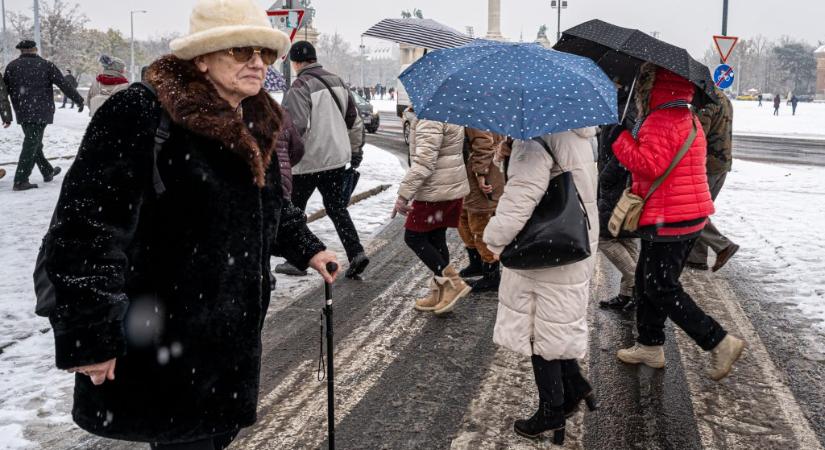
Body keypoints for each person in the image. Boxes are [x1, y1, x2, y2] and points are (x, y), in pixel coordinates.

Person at [43, 0, 338, 448]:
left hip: (226, 342)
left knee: (214, 435)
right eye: (241, 51)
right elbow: (84, 231)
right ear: (202, 57)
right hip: (163, 335)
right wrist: (89, 334)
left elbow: (266, 208)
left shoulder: (254, 119)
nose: (257, 62)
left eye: (265, 52)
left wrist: (308, 247)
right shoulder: (140, 113)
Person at [611, 64, 745, 381]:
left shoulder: (661, 120)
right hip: (684, 215)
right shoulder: (687, 117)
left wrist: (621, 141)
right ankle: (649, 344)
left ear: (651, 88)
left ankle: (718, 341)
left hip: (670, 218)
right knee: (648, 280)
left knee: (661, 288)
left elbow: (649, 166)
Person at [483, 127, 600, 444]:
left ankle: (552, 411)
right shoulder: (578, 134)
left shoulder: (533, 138)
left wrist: (493, 239)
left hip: (544, 250)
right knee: (553, 325)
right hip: (572, 239)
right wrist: (506, 154)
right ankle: (574, 385)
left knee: (540, 335)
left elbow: (521, 198)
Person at [281, 41, 370, 280]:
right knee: (337, 209)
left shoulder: (300, 85)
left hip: (308, 162)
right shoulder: (338, 81)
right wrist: (355, 151)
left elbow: (295, 127)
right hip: (336, 159)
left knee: (294, 210)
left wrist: (285, 159)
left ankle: (297, 260)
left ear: (296, 62)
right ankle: (356, 253)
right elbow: (354, 121)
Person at [394, 116, 471, 315]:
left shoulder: (430, 117)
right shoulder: (446, 109)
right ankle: (440, 292)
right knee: (436, 237)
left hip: (434, 190)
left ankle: (453, 284)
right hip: (448, 187)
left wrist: (403, 195)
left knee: (413, 236)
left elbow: (425, 162)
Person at [4, 40, 84, 191]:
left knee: (34, 142)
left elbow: (3, 92)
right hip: (41, 111)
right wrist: (78, 100)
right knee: (31, 144)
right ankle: (20, 180)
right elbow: (64, 85)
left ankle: (47, 171)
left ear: (21, 51)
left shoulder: (12, 66)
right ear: (35, 49)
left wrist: (6, 113)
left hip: (22, 111)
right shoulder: (46, 65)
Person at [686, 87, 739, 272]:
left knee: (694, 211)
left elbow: (696, 134)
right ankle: (696, 257)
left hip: (707, 165)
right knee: (700, 211)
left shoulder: (705, 102)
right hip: (722, 163)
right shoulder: (723, 97)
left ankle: (723, 246)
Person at [596, 95, 640, 311]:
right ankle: (628, 294)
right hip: (617, 182)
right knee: (627, 238)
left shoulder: (626, 110)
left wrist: (607, 174)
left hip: (618, 183)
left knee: (604, 236)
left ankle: (637, 282)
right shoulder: (622, 107)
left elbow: (628, 148)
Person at [458, 128, 505, 292]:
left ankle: (491, 273)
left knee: (479, 222)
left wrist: (481, 172)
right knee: (464, 216)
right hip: (476, 172)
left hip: (483, 174)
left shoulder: (475, 107)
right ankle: (477, 262)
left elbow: (483, 143)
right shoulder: (485, 106)